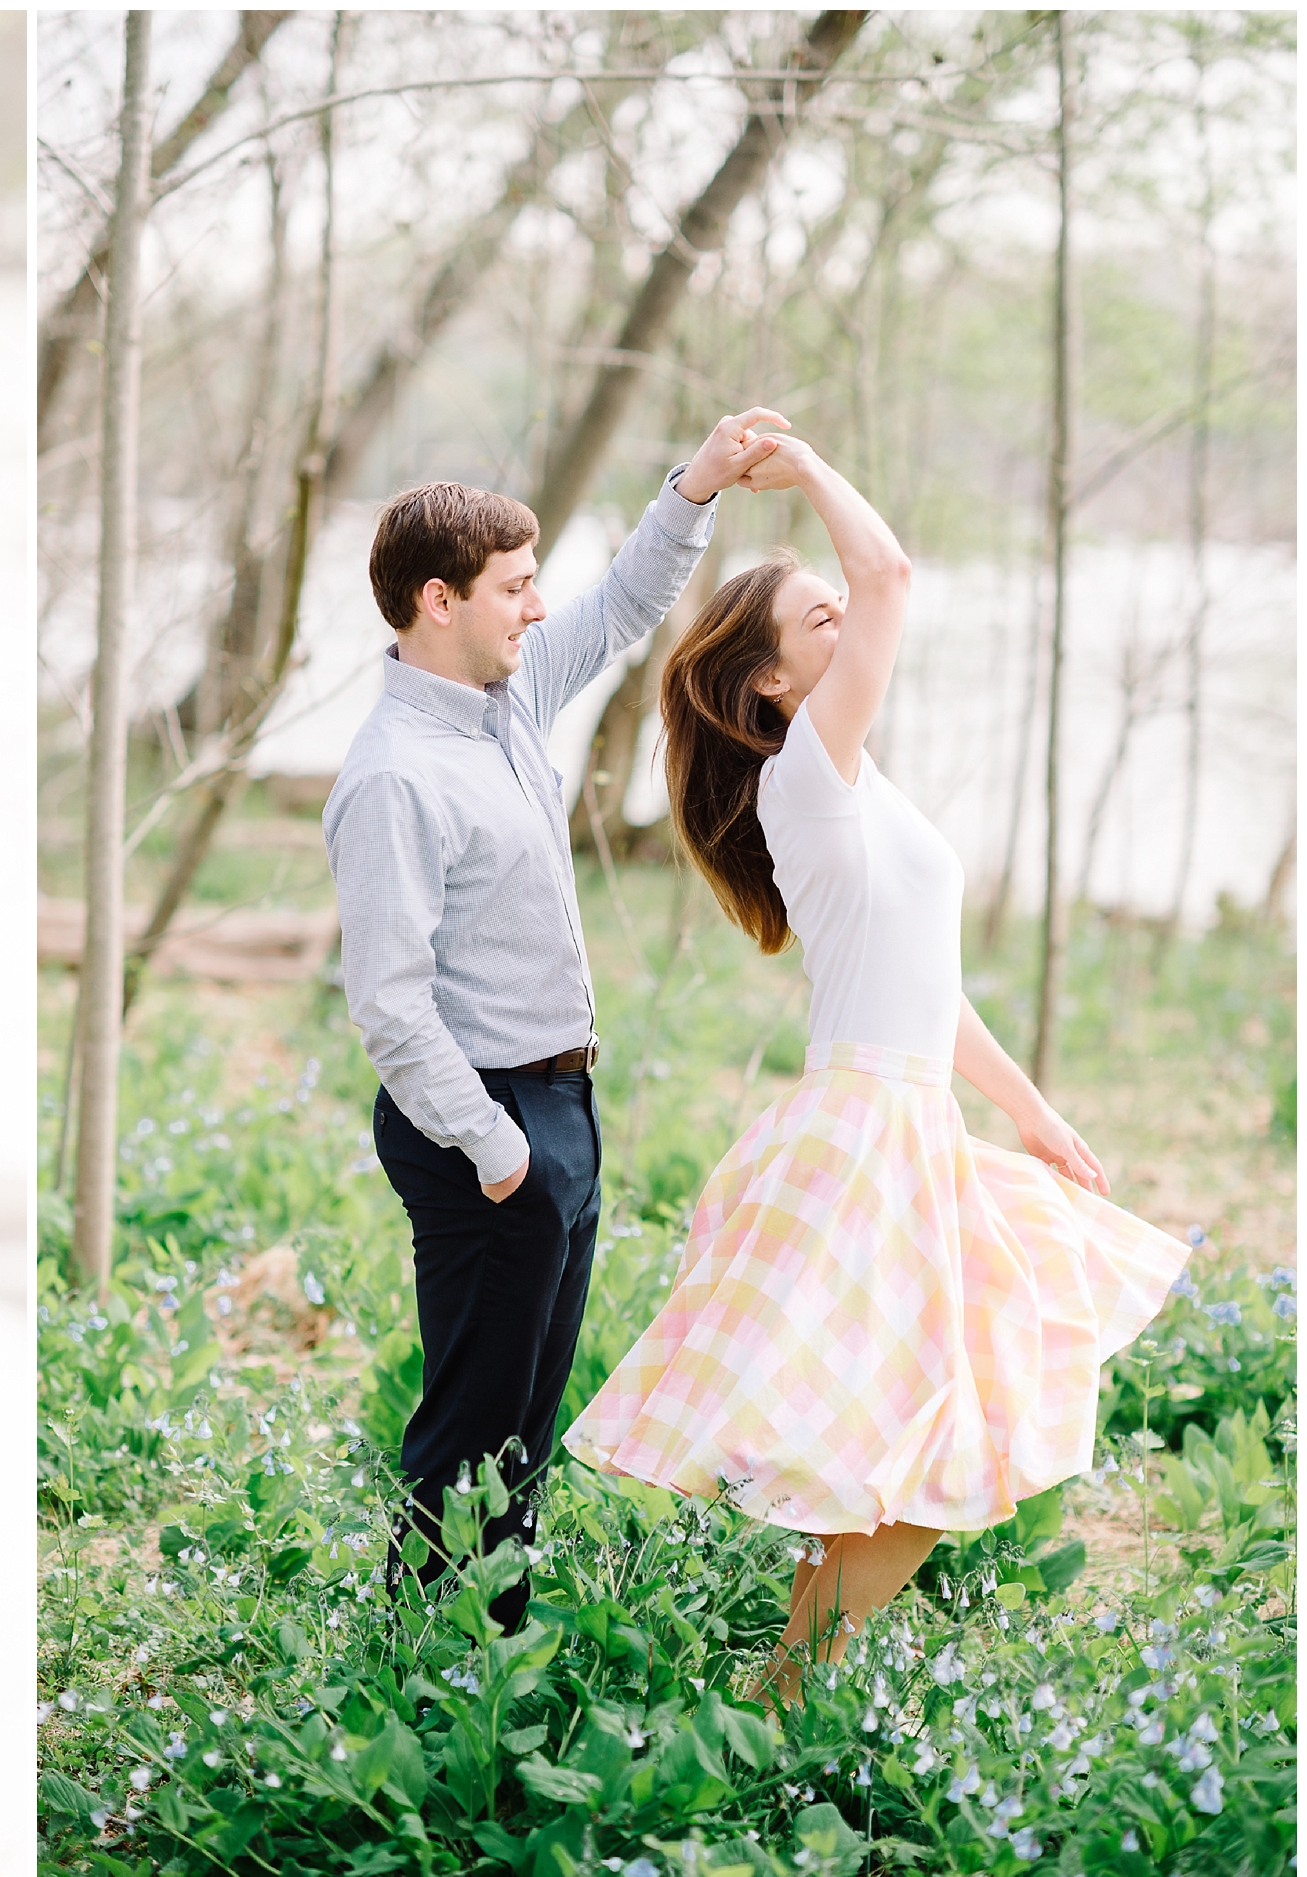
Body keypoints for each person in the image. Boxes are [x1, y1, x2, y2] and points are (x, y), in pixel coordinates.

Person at [562, 432, 1187, 1699]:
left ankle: (791, 1684)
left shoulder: (861, 789)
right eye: (818, 618)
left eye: (838, 609)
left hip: (907, 1124)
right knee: (938, 1437)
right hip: (864, 1134)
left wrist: (1037, 1117)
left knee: (909, 1430)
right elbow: (892, 568)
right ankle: (795, 1682)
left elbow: (932, 993)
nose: (850, 619)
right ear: (773, 685)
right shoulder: (809, 774)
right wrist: (799, 462)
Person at [322, 410, 789, 1632]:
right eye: (515, 588)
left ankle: (494, 1642)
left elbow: (628, 603)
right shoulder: (392, 779)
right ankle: (428, 1666)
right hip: (485, 1126)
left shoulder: (507, 709)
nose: (537, 609)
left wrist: (699, 482)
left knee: (529, 1415)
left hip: (559, 1105)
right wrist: (494, 1148)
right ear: (439, 601)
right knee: (473, 1420)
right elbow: (387, 999)